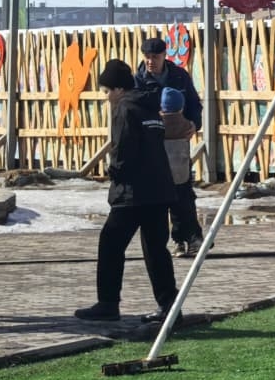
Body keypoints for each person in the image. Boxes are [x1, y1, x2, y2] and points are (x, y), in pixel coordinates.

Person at [75, 59, 179, 323]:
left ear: (118, 89)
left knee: (110, 244)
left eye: (107, 91)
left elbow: (122, 148)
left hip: (133, 192)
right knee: (156, 250)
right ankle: (169, 306)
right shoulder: (150, 108)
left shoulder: (125, 108)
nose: (106, 97)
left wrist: (115, 174)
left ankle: (108, 303)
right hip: (159, 189)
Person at [135, 36, 204, 257]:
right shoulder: (139, 81)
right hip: (153, 147)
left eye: (155, 57)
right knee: (159, 196)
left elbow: (194, 105)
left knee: (182, 192)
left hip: (178, 145)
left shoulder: (179, 77)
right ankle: (174, 240)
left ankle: (189, 237)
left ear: (165, 56)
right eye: (147, 57)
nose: (150, 61)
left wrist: (193, 124)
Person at [157, 87, 200, 259]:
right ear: (181, 107)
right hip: (182, 175)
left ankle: (175, 243)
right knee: (181, 210)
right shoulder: (186, 125)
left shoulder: (158, 125)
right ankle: (186, 239)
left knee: (162, 211)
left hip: (161, 176)